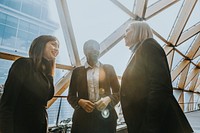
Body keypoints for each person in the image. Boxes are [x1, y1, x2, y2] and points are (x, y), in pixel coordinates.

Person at [120, 21, 193, 133]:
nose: (124, 34)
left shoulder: (148, 46)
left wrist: (149, 126)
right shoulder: (138, 51)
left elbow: (160, 87)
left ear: (139, 31)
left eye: (127, 30)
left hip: (156, 124)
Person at [0, 35, 59, 133]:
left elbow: (48, 96)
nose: (57, 49)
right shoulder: (23, 64)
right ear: (41, 45)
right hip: (21, 126)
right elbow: (7, 103)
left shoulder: (45, 73)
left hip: (39, 126)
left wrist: (51, 73)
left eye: (58, 47)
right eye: (53, 44)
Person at [67, 39, 120, 133]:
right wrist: (79, 102)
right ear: (84, 52)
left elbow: (119, 92)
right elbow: (71, 96)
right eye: (91, 48)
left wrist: (108, 99)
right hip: (82, 120)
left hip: (106, 118)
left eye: (97, 48)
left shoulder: (109, 68)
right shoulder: (77, 72)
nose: (95, 50)